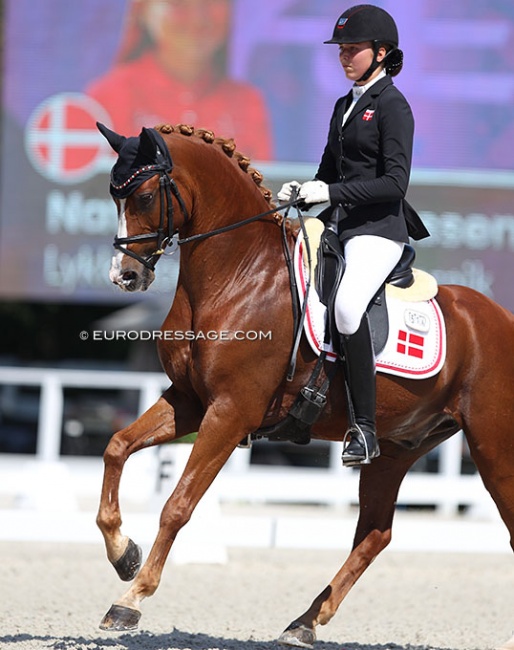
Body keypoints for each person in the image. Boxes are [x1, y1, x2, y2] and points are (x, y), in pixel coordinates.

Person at [278, 4, 429, 467]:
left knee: (346, 306)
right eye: (340, 50)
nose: (344, 57)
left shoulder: (393, 106)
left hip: (379, 232)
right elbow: (327, 171)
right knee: (294, 292)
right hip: (341, 226)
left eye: (352, 49)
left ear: (381, 52)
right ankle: (301, 405)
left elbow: (394, 183)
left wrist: (332, 190)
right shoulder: (344, 105)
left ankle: (364, 427)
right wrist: (302, 190)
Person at [86, 0, 273, 160]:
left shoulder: (248, 102)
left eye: (212, 1)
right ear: (143, 10)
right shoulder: (107, 97)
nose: (198, 18)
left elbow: (260, 195)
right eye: (178, 2)